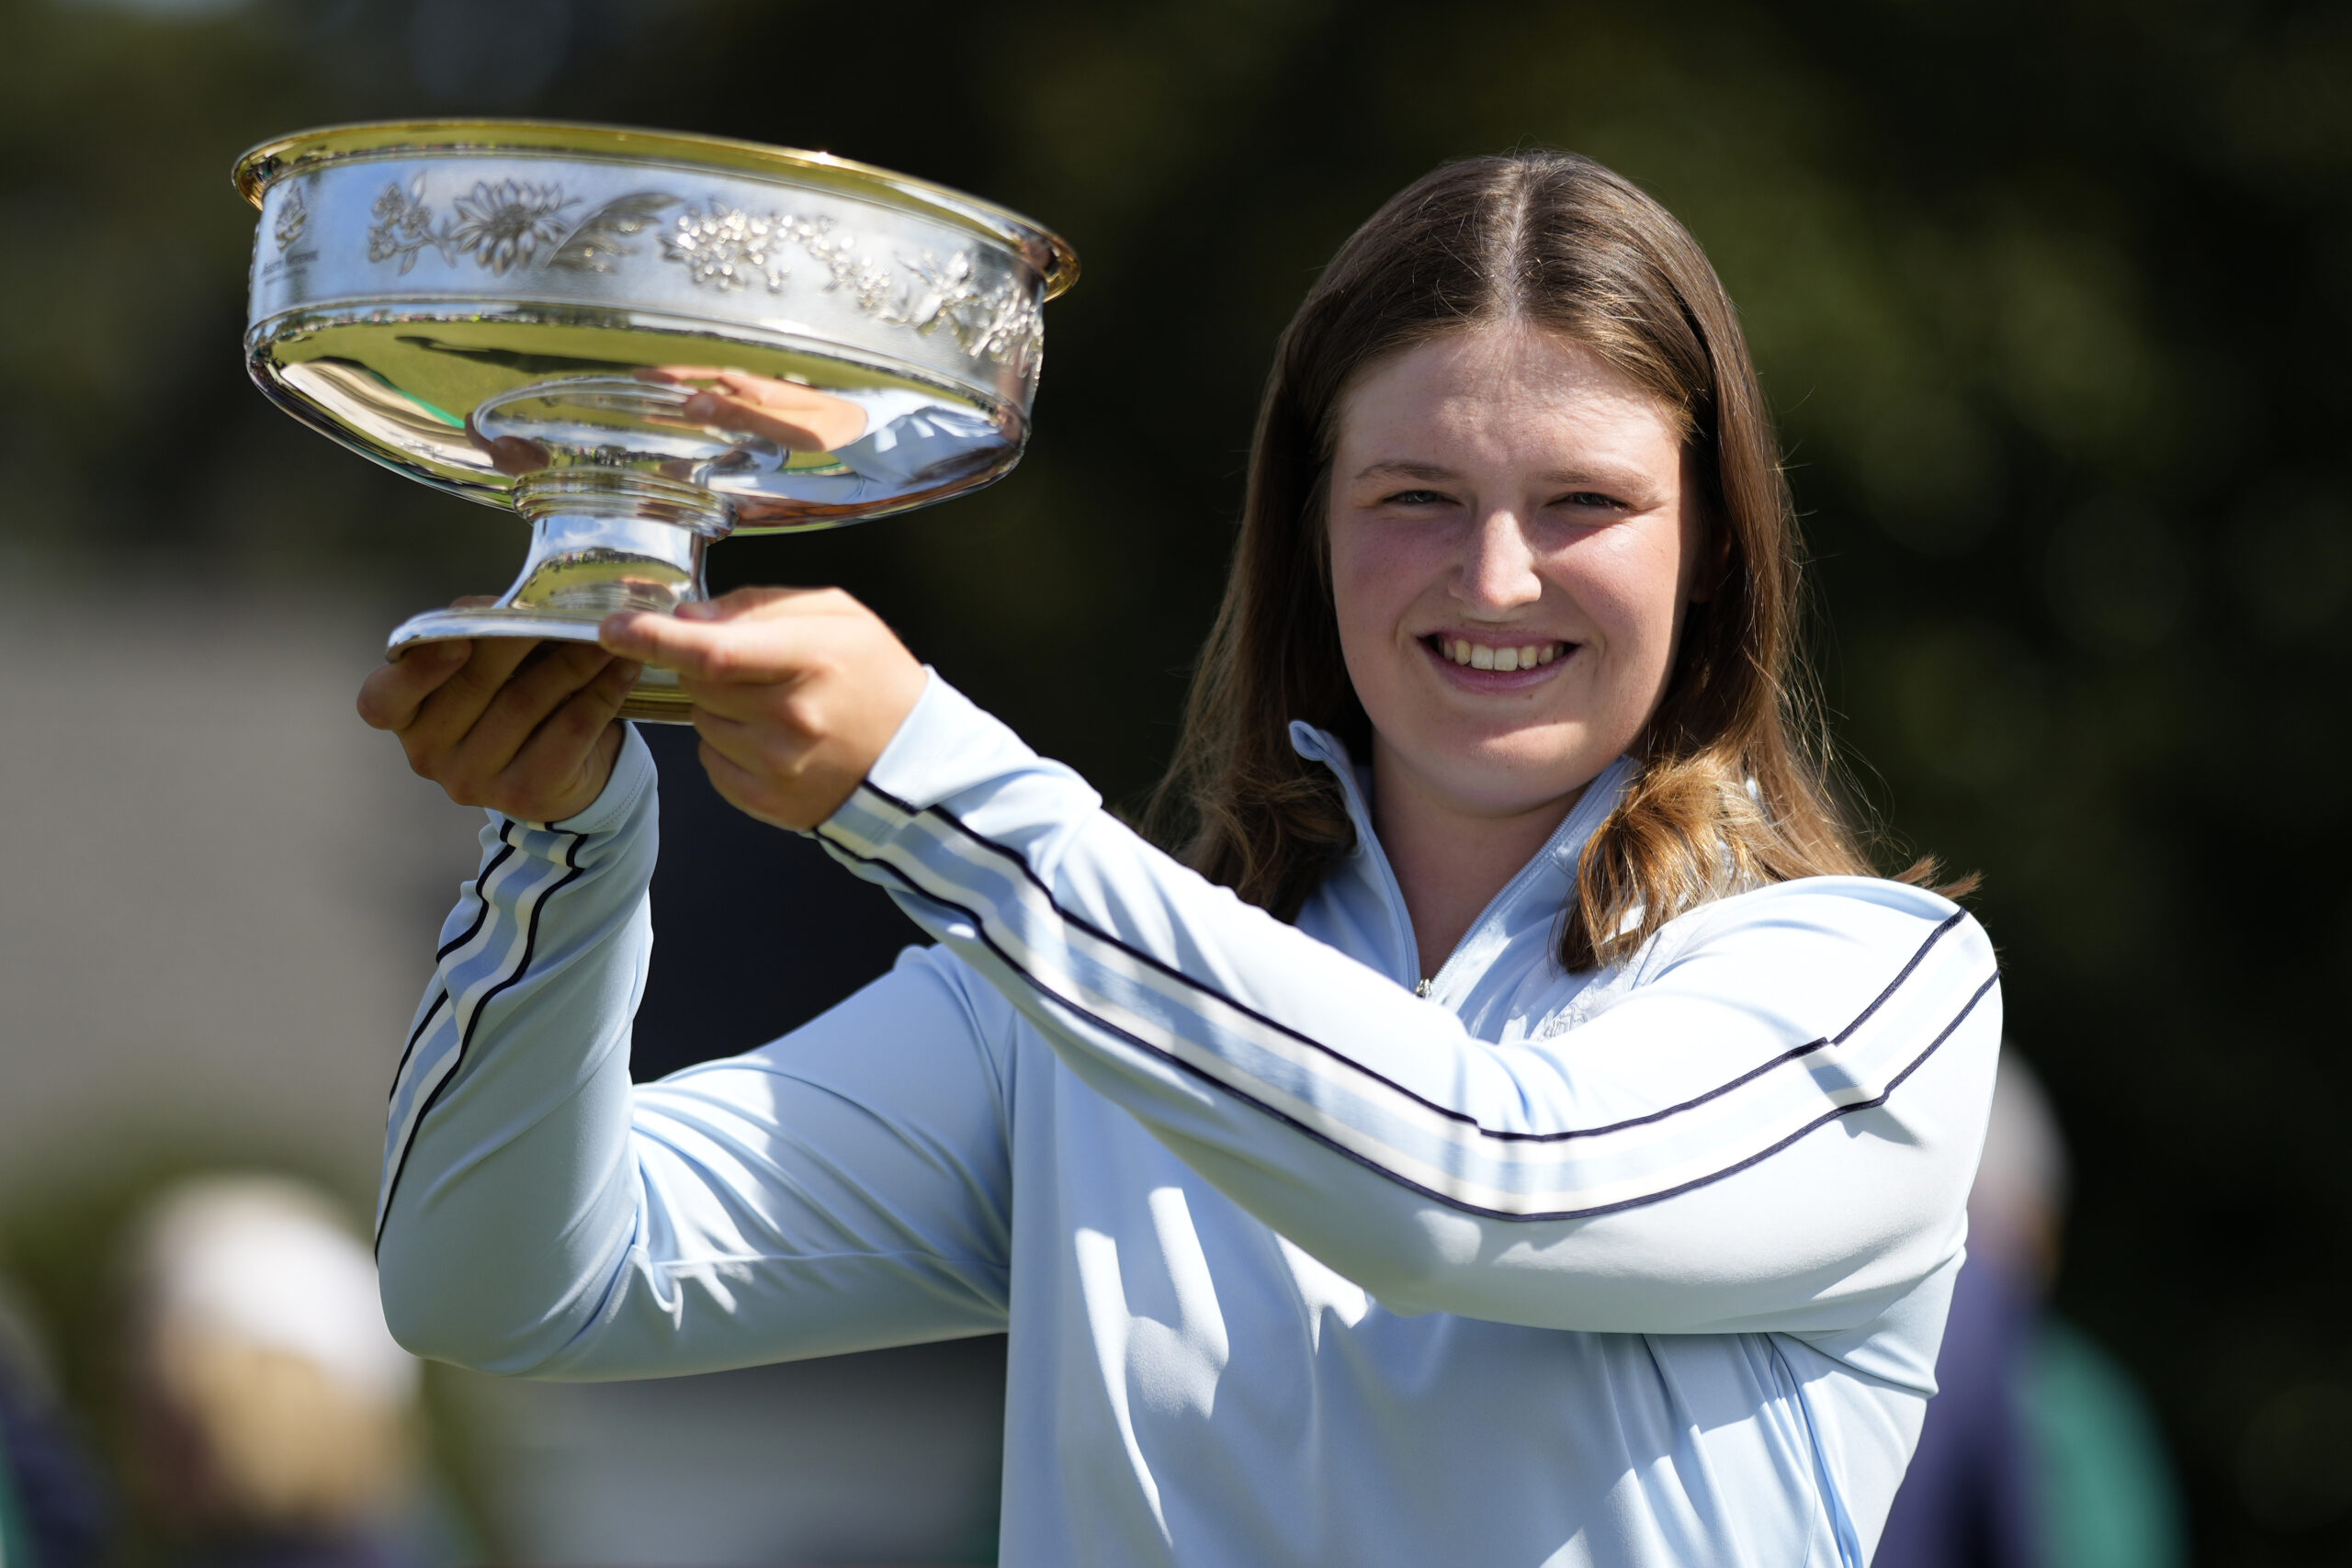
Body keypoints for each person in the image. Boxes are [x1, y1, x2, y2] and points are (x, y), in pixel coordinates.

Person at [356, 152, 2002, 1567]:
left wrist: (933, 780)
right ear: (1310, 529)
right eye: (1416, 495)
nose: (1497, 578)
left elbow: (1474, 1182)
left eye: (1585, 501)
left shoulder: (1868, 987)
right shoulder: (1068, 1007)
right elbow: (504, 1285)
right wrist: (564, 847)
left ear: (1712, 550)